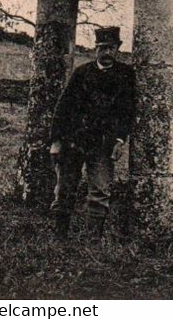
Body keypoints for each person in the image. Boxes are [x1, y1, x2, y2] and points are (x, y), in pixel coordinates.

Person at [49, 26, 135, 240]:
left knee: (100, 191)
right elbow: (63, 107)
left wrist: (119, 140)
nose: (107, 53)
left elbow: (128, 110)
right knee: (65, 188)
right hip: (74, 140)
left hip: (103, 144)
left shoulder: (125, 75)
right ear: (95, 49)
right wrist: (56, 141)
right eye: (102, 48)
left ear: (118, 49)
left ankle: (93, 240)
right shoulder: (82, 72)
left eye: (111, 48)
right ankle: (59, 237)